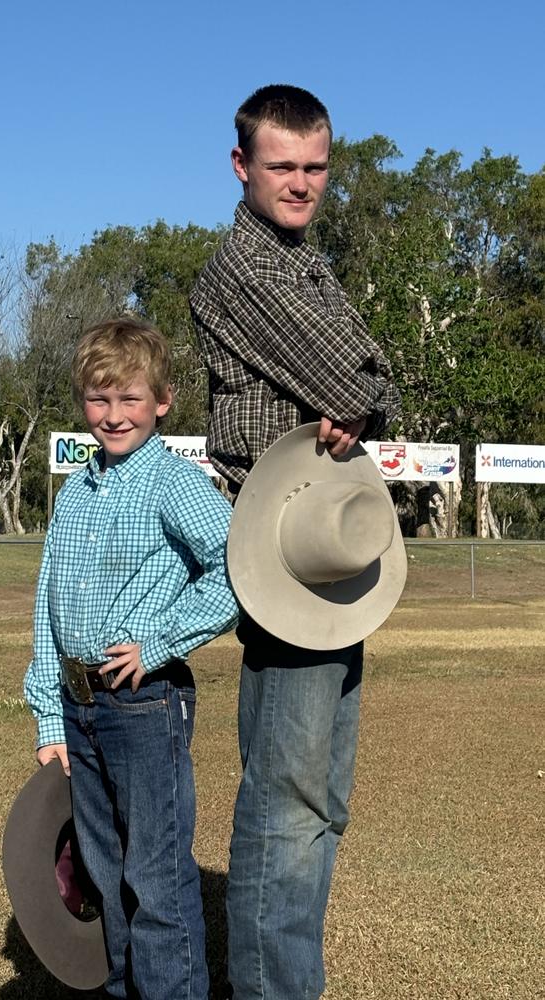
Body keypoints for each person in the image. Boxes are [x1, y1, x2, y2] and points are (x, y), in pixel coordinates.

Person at [190, 84, 401, 1000]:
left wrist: (365, 389)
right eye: (281, 165)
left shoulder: (304, 263)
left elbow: (362, 381)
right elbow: (358, 375)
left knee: (323, 803)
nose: (301, 183)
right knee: (288, 805)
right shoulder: (248, 272)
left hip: (328, 554)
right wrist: (364, 389)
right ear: (241, 166)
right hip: (281, 556)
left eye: (316, 167)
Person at [24, 317, 239, 1000]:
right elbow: (46, 606)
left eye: (130, 399)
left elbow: (237, 570)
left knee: (156, 880)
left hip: (146, 707)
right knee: (105, 876)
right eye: (99, 398)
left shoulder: (173, 483)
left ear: (163, 401)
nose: (113, 415)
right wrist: (50, 719)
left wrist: (163, 642)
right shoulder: (78, 490)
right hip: (80, 711)